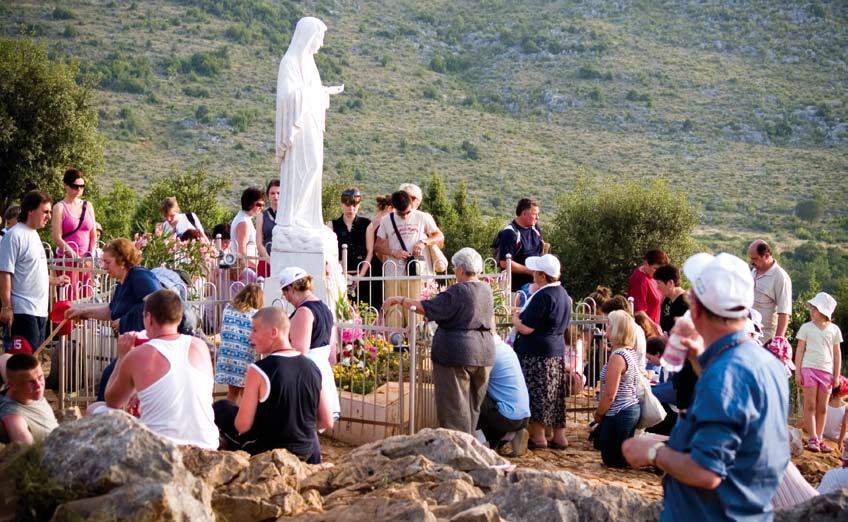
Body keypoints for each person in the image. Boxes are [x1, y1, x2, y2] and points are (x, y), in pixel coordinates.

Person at [622, 252, 790, 521]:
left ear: (696, 310)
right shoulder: (766, 363)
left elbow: (706, 471)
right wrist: (700, 363)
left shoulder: (723, 378)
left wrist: (652, 452)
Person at [385, 248, 496, 435]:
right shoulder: (486, 289)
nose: (454, 271)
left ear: (461, 269)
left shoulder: (457, 291)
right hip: (484, 352)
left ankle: (458, 454)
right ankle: (470, 449)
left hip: (457, 353)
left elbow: (426, 307)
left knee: (454, 409)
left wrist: (399, 299)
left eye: (454, 268)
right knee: (472, 406)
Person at [213, 307, 332, 461]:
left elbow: (242, 425)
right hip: (305, 450)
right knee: (309, 431)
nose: (251, 338)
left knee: (222, 409)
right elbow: (327, 421)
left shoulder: (259, 370)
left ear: (274, 333)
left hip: (269, 450)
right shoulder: (312, 367)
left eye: (255, 330)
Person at [104, 289, 218, 449]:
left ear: (149, 318)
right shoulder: (200, 346)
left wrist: (122, 357)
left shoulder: (137, 355)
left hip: (161, 448)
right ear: (179, 318)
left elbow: (113, 402)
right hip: (207, 443)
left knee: (96, 409)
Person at [65, 238, 161, 400]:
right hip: (131, 349)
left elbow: (157, 300)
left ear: (122, 261)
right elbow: (111, 311)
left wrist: (125, 320)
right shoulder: (121, 285)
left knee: (110, 380)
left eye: (107, 262)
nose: (104, 267)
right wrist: (83, 312)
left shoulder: (138, 275)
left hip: (145, 347)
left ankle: (105, 418)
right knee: (111, 380)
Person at [275, 16, 343, 229]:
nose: (320, 43)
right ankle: (294, 216)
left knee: (315, 165)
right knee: (307, 164)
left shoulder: (310, 64)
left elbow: (310, 92)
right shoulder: (289, 62)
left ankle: (307, 216)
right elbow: (287, 96)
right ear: (308, 37)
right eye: (319, 37)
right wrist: (316, 91)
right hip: (298, 126)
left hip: (311, 122)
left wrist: (324, 92)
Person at [511, 254, 571, 450]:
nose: (533, 274)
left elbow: (527, 328)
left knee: (537, 393)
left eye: (536, 272)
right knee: (554, 395)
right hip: (555, 350)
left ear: (543, 276)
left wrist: (515, 320)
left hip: (536, 353)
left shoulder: (544, 296)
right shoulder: (563, 294)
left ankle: (538, 438)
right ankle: (559, 436)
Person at [0, 191, 71, 353]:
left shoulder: (34, 235)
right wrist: (6, 307)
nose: (49, 216)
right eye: (45, 211)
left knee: (31, 360)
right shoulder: (14, 235)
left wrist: (56, 281)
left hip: (39, 311)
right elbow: (4, 273)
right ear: (31, 210)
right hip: (22, 311)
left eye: (50, 212)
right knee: (20, 363)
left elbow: (31, 273)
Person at [375, 190, 444, 327]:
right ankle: (396, 342)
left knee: (416, 309)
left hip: (416, 271)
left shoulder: (422, 217)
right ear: (394, 208)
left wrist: (424, 242)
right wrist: (393, 252)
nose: (405, 216)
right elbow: (378, 245)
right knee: (394, 310)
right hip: (393, 273)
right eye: (401, 214)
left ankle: (417, 340)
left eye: (408, 212)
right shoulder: (387, 220)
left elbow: (439, 236)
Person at [280, 266, 340, 421]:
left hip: (306, 375)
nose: (285, 297)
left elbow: (299, 350)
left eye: (285, 292)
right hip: (322, 371)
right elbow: (332, 355)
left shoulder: (304, 311)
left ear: (292, 289)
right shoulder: (326, 309)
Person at [794, 291, 843, 453]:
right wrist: (798, 372)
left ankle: (820, 438)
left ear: (824, 311)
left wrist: (836, 375)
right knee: (810, 405)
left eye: (814, 308)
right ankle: (813, 438)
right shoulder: (805, 328)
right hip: (808, 369)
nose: (811, 311)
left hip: (827, 372)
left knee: (822, 408)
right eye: (812, 308)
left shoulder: (834, 330)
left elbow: (837, 354)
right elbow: (800, 351)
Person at [593, 310, 641, 467]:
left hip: (619, 411)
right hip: (629, 408)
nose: (606, 327)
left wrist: (599, 413)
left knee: (611, 459)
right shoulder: (629, 352)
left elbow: (609, 395)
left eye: (609, 325)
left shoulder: (618, 357)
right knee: (619, 456)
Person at [477, 338, 531, 456]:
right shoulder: (507, 349)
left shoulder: (488, 353)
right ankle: (511, 434)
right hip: (524, 415)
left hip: (506, 417)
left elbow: (477, 385)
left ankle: (480, 440)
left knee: (472, 395)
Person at [214, 284, 264, 402]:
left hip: (227, 356)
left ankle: (229, 417)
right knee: (247, 394)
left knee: (232, 392)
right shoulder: (255, 315)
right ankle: (244, 417)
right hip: (245, 357)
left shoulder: (228, 309)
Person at [0, 353, 57, 445]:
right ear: (12, 385)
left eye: (40, 377)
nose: (39, 385)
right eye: (30, 382)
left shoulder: (26, 391)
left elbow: (4, 357)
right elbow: (28, 453)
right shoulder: (14, 418)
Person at [495, 198, 543, 293]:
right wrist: (529, 271)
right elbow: (504, 263)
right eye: (535, 214)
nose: (538, 217)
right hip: (518, 289)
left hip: (536, 283)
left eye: (538, 214)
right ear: (524, 213)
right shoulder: (510, 233)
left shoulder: (535, 229)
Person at [748, 239, 792, 342]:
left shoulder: (780, 277)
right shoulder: (753, 271)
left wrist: (777, 342)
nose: (751, 262)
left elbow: (784, 313)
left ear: (766, 256)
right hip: (749, 334)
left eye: (754, 258)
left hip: (766, 337)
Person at [331, 188, 371, 300]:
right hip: (339, 275)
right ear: (342, 205)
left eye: (354, 205)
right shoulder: (332, 225)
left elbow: (370, 251)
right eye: (347, 205)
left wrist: (361, 276)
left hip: (362, 275)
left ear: (359, 205)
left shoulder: (367, 224)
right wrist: (341, 273)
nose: (351, 208)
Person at [358, 194, 392, 309]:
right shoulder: (387, 223)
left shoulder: (371, 223)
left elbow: (370, 251)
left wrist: (362, 273)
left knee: (372, 307)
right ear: (388, 208)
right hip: (383, 266)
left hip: (371, 267)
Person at [628, 248, 668, 325]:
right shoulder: (640, 280)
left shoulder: (652, 277)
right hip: (645, 331)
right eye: (655, 268)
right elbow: (638, 312)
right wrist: (655, 328)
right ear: (646, 263)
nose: (659, 272)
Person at [230, 187, 264, 271]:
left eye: (263, 205)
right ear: (250, 203)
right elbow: (241, 253)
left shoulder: (244, 219)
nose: (261, 208)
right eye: (259, 205)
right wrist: (258, 268)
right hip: (246, 270)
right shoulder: (243, 222)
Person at [255, 179, 281, 277]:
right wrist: (269, 259)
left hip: (284, 261)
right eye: (272, 193)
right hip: (266, 261)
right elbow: (259, 242)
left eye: (278, 193)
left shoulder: (290, 216)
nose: (276, 196)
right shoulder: (261, 216)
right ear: (268, 195)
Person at [654, 264, 689, 334]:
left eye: (659, 283)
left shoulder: (684, 304)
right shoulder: (668, 298)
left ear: (670, 283)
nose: (657, 287)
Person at [823, 376, 848, 448]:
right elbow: (844, 425)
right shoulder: (846, 406)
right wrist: (840, 441)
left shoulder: (825, 403)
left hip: (825, 435)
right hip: (837, 438)